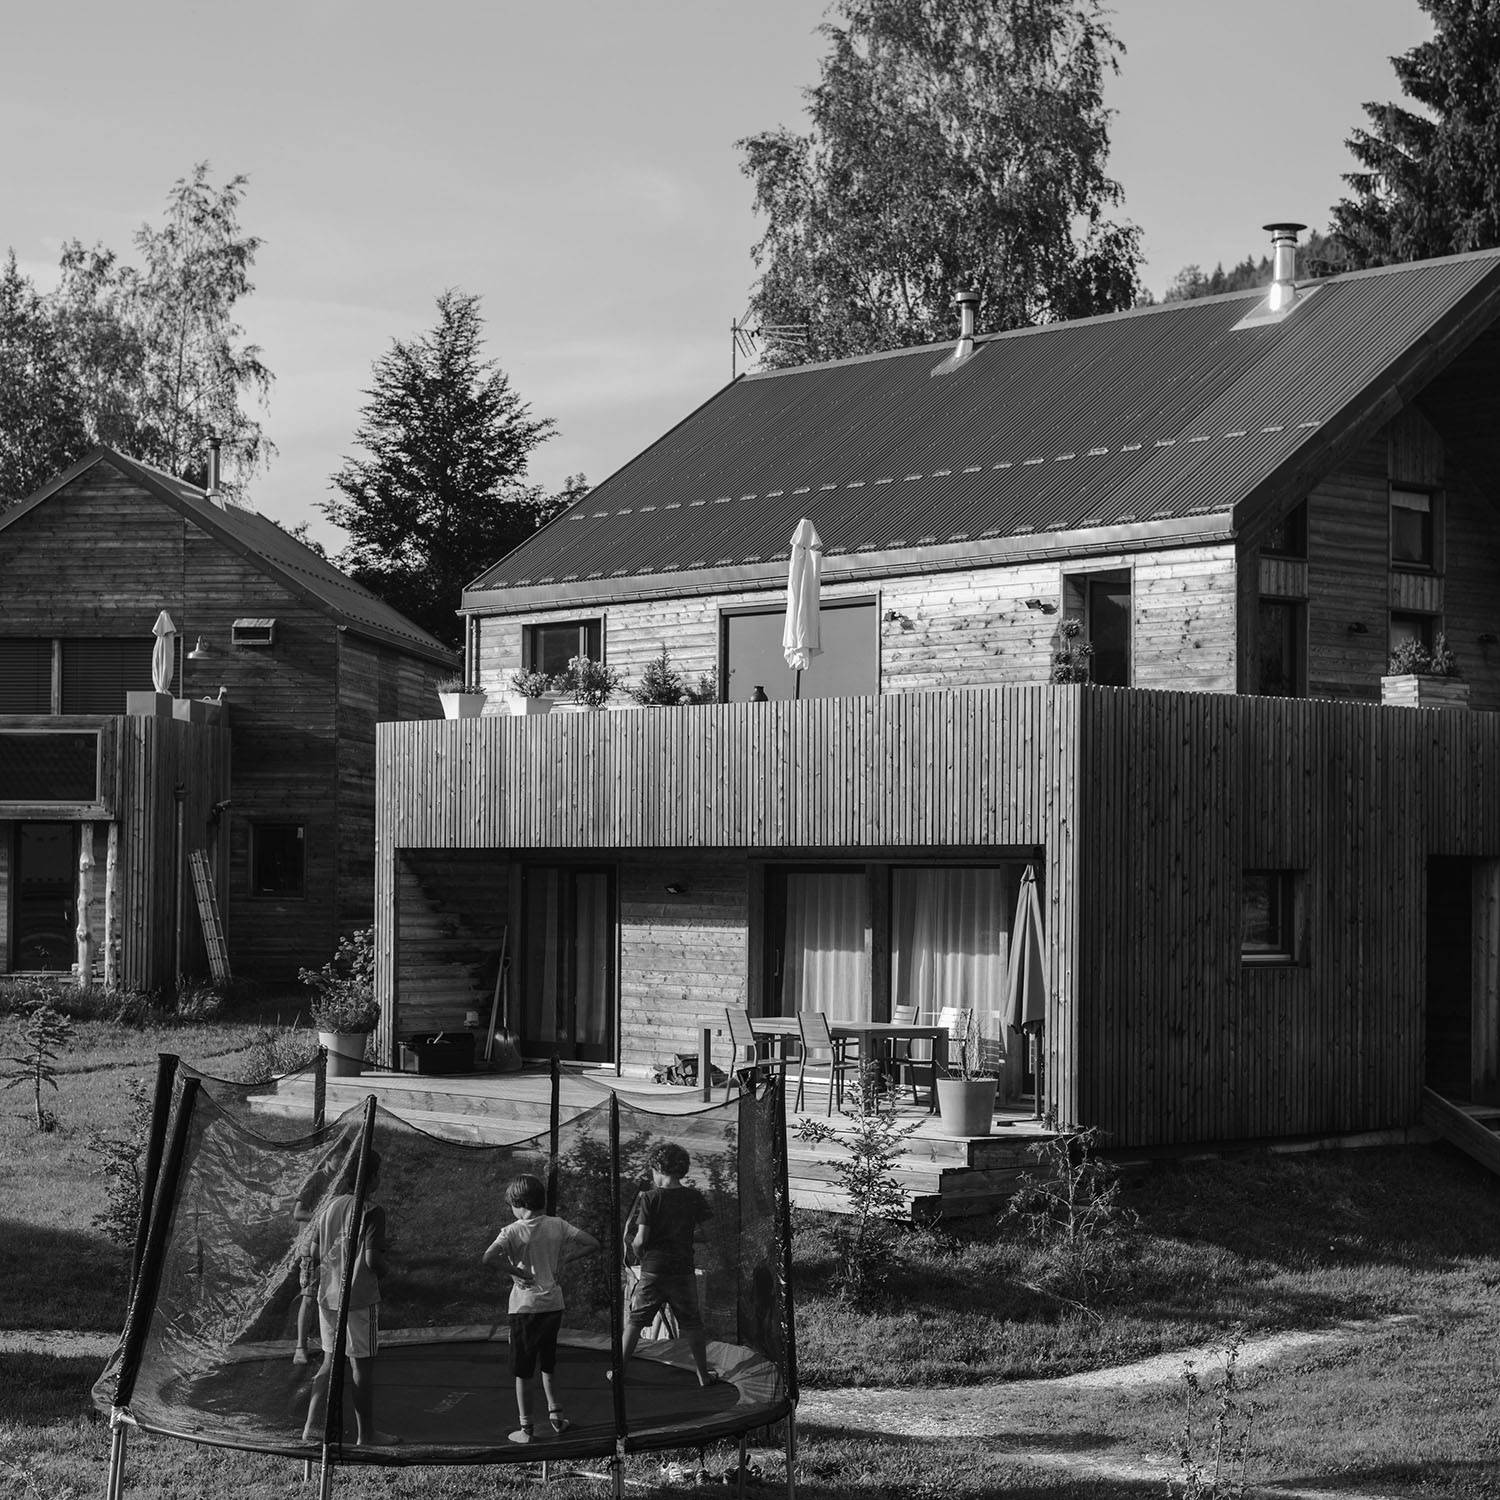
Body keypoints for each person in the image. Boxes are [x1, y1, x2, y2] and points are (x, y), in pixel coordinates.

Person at [483, 1174, 600, 1444]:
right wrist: (566, 1258)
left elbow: (487, 1258)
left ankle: (526, 1429)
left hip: (525, 1308)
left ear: (519, 1204)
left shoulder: (512, 1231)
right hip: (553, 1305)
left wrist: (515, 1271)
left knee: (522, 1370)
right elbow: (592, 1243)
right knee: (548, 1363)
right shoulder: (557, 1225)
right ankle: (557, 1417)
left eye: (511, 1206)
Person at [301, 1150, 397, 1447]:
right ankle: (366, 1434)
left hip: (327, 1296)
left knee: (330, 1362)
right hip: (357, 1300)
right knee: (361, 1367)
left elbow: (314, 1251)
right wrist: (386, 1269)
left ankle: (311, 1429)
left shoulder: (330, 1206)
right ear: (371, 1178)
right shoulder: (372, 1211)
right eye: (378, 1173)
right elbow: (371, 1260)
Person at [619, 1142, 715, 1386]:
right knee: (692, 1323)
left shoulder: (651, 1198)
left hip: (654, 1268)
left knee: (636, 1319)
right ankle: (703, 1374)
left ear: (658, 1168)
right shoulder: (693, 1197)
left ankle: (619, 1371)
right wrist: (682, 1235)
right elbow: (707, 1232)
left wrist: (638, 1254)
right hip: (683, 1269)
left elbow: (640, 1240)